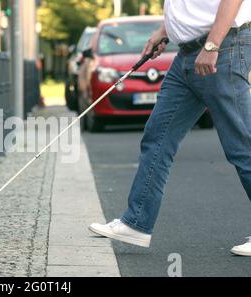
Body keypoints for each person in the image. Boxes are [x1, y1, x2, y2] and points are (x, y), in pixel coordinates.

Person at [89, 0, 251, 257]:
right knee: (158, 138)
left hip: (222, 49)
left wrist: (212, 45)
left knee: (242, 144)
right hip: (186, 55)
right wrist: (165, 30)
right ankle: (136, 223)